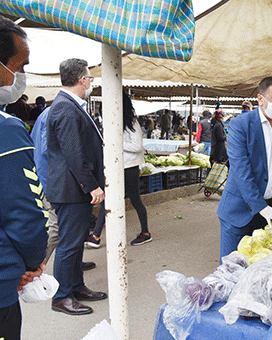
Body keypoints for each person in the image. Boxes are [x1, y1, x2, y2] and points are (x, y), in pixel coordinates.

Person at [0, 17, 48, 339]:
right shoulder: (6, 130)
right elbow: (26, 215)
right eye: (20, 65)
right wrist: (33, 262)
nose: (21, 77)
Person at [47, 58, 107, 315]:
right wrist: (91, 185)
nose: (91, 83)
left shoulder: (68, 106)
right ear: (83, 80)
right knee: (69, 245)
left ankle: (76, 286)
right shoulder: (66, 108)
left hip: (73, 189)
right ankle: (61, 296)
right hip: (71, 190)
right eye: (90, 79)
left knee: (74, 243)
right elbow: (74, 154)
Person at [217, 77, 272, 260]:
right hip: (238, 212)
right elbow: (240, 170)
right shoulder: (241, 125)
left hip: (271, 213)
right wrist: (260, 206)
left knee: (261, 270)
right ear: (260, 99)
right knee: (232, 272)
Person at [31, 105, 97, 271]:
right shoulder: (60, 113)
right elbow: (54, 151)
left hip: (52, 178)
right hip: (52, 180)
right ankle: (34, 268)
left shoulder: (50, 113)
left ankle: (74, 265)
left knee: (71, 229)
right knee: (57, 228)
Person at [85, 91, 152, 248]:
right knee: (106, 199)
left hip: (129, 168)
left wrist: (114, 142)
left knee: (135, 200)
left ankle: (146, 233)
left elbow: (136, 147)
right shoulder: (112, 121)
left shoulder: (132, 123)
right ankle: (95, 236)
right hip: (114, 167)